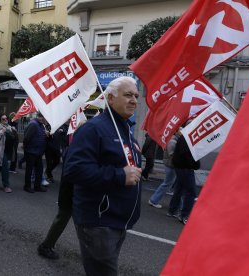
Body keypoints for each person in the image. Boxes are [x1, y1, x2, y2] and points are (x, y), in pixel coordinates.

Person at [63, 76, 142, 275]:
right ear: (110, 98)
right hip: (99, 222)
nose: (134, 100)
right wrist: (119, 175)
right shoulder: (93, 128)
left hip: (118, 221)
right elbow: (73, 170)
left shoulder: (125, 130)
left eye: (136, 96)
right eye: (128, 95)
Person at [37, 120, 86, 260]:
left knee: (75, 223)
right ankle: (45, 246)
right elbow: (73, 173)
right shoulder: (75, 149)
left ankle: (47, 246)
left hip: (73, 193)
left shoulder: (78, 147)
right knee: (64, 219)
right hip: (70, 192)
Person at [167, 126, 200, 225]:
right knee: (191, 192)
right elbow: (188, 155)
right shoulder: (188, 138)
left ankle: (172, 210)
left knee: (180, 188)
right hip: (185, 167)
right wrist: (195, 165)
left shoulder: (184, 137)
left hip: (180, 166)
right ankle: (184, 215)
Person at [148, 130, 180, 209]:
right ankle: (154, 200)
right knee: (167, 184)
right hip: (170, 166)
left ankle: (154, 200)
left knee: (169, 184)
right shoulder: (172, 142)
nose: (182, 130)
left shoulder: (174, 140)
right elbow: (172, 155)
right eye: (180, 129)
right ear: (176, 132)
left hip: (170, 165)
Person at [23, 112, 48, 193]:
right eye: (42, 117)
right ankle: (27, 186)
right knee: (29, 170)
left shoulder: (41, 125)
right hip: (31, 151)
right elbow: (26, 138)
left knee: (39, 170)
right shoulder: (33, 124)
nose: (44, 119)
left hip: (38, 152)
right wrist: (26, 149)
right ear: (39, 117)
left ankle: (37, 186)